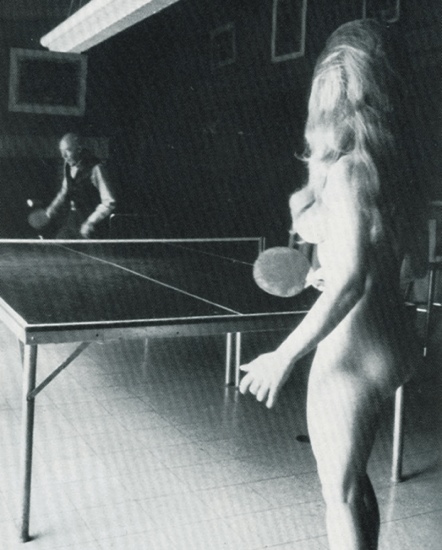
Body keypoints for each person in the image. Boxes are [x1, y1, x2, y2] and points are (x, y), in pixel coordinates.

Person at [239, 19, 425, 550]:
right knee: (352, 481)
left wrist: (283, 355)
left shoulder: (346, 173)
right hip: (396, 340)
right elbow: (407, 264)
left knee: (337, 495)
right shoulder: (397, 166)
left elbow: (347, 284)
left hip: (353, 347)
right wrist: (338, 264)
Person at [45, 133, 117, 238]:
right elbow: (65, 191)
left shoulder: (96, 168)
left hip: (94, 225)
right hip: (73, 220)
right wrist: (50, 210)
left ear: (79, 149)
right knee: (58, 243)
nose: (63, 156)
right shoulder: (68, 165)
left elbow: (109, 202)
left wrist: (90, 222)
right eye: (61, 151)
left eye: (67, 150)